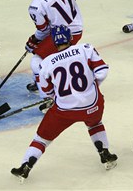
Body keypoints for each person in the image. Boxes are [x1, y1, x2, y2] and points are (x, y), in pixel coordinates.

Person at [11, 25, 117, 183]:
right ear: (70, 37)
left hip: (64, 110)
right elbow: (102, 71)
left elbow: (46, 92)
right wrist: (91, 87)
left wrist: (58, 95)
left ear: (54, 41)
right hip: (92, 105)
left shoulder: (46, 63)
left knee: (42, 138)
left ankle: (26, 166)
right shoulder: (85, 48)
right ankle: (105, 154)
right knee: (94, 123)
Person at [23, 0, 89, 95]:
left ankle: (47, 97)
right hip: (77, 29)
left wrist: (34, 40)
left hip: (63, 36)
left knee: (36, 61)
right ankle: (39, 81)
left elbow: (44, 31)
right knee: (43, 53)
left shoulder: (35, 6)